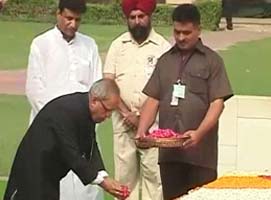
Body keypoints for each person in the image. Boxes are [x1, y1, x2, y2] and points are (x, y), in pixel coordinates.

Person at [136, 4, 233, 200]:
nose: (180, 37)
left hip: (201, 155)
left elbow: (217, 103)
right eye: (177, 32)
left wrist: (199, 134)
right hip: (170, 156)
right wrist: (141, 130)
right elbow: (153, 99)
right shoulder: (164, 61)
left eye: (186, 32)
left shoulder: (212, 61)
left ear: (198, 29)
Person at [25, 0, 103, 199]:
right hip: (49, 129)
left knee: (85, 186)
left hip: (83, 128)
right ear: (58, 14)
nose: (73, 24)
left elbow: (97, 88)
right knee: (48, 185)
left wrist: (84, 122)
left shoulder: (89, 45)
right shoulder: (41, 44)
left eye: (77, 20)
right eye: (69, 18)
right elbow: (35, 91)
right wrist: (60, 124)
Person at [4, 79, 130, 200]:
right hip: (32, 171)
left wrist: (103, 175)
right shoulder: (67, 112)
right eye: (107, 110)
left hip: (47, 175)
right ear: (94, 101)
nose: (108, 116)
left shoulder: (84, 110)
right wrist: (102, 182)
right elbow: (71, 153)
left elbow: (89, 145)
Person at [103, 0, 171, 199]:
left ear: (150, 17)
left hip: (153, 126)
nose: (137, 21)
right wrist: (127, 114)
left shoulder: (163, 47)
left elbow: (165, 88)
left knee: (154, 179)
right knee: (124, 181)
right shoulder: (118, 45)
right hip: (123, 123)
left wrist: (142, 117)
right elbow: (109, 83)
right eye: (132, 18)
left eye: (141, 16)